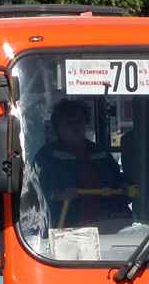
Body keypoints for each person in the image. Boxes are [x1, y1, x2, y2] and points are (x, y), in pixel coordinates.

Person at [33, 98, 128, 229]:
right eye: (69, 122)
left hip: (104, 225)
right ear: (58, 126)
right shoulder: (46, 156)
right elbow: (34, 193)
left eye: (80, 121)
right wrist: (57, 196)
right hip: (64, 226)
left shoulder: (100, 153)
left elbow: (117, 185)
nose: (76, 127)